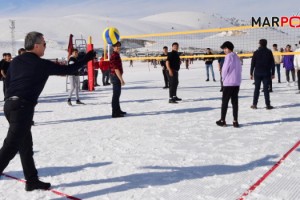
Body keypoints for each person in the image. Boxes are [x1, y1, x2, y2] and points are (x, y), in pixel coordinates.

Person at [0, 31, 95, 191]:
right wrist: (86, 59)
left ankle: (31, 181)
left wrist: (13, 99)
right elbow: (69, 70)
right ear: (36, 46)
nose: (45, 46)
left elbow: (8, 82)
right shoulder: (41, 64)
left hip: (10, 106)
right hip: (22, 108)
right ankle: (31, 179)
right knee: (11, 146)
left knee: (25, 146)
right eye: (44, 44)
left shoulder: (16, 61)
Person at [216, 41, 242, 128]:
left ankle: (222, 120)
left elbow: (224, 69)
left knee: (225, 102)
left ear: (228, 48)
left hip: (228, 83)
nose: (224, 50)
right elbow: (239, 70)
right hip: (236, 83)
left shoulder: (228, 56)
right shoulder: (236, 57)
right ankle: (235, 121)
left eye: (224, 48)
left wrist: (223, 79)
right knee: (235, 103)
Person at [250, 39, 275, 110]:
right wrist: (273, 73)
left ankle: (254, 104)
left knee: (256, 89)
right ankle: (268, 105)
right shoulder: (269, 52)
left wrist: (251, 73)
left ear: (260, 44)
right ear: (266, 44)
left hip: (257, 73)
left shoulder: (256, 52)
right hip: (266, 73)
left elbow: (252, 64)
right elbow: (272, 63)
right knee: (266, 89)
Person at [110, 41, 126, 118]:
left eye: (119, 46)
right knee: (116, 95)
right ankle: (115, 113)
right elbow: (116, 69)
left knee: (117, 95)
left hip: (115, 76)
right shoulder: (114, 55)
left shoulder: (116, 54)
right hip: (115, 77)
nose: (118, 47)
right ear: (113, 47)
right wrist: (121, 79)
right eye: (116, 46)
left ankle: (118, 110)